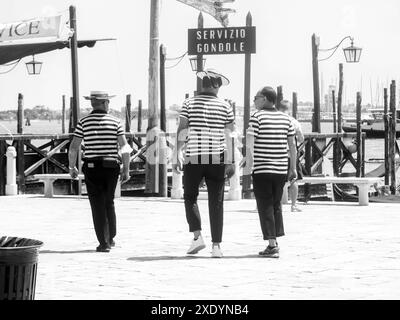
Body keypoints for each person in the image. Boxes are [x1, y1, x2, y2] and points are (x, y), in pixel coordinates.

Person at [172, 69, 236, 258]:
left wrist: (177, 154)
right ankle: (216, 247)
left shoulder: (189, 103)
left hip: (194, 156)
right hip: (217, 157)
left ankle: (197, 236)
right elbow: (231, 134)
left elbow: (182, 130)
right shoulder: (225, 106)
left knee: (190, 196)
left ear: (203, 85)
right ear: (216, 86)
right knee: (216, 201)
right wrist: (230, 161)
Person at [68, 91, 131, 253]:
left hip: (92, 167)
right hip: (111, 167)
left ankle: (104, 243)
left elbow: (74, 147)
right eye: (108, 102)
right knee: (109, 201)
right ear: (104, 103)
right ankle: (111, 237)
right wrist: (127, 169)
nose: (109, 104)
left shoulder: (83, 122)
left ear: (93, 104)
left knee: (97, 204)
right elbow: (124, 148)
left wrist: (72, 167)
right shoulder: (116, 122)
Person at [242, 87, 297, 258]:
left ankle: (272, 244)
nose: (254, 101)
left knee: (264, 204)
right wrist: (293, 167)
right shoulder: (286, 119)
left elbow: (250, 143)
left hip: (263, 168)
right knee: (275, 204)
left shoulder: (256, 117)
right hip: (281, 169)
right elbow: (293, 146)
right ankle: (274, 239)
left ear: (264, 99)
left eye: (256, 98)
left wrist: (249, 164)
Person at [277, 100, 304, 212]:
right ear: (289, 109)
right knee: (293, 180)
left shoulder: (275, 121)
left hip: (278, 154)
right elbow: (301, 139)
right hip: (290, 154)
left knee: (277, 181)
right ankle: (293, 205)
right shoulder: (294, 122)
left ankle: (278, 204)